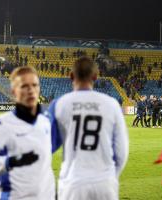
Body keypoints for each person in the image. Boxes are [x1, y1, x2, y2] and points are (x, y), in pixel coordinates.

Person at [48, 57, 129, 200]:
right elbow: (121, 152)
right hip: (105, 185)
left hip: (73, 184)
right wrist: (109, 176)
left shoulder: (60, 104)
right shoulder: (112, 104)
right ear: (95, 77)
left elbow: (44, 147)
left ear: (71, 76)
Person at [0, 66, 55, 200]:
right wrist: (11, 162)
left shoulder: (45, 120)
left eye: (35, 85)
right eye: (24, 86)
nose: (31, 90)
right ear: (13, 91)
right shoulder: (1, 125)